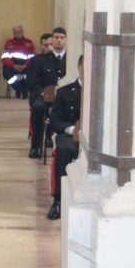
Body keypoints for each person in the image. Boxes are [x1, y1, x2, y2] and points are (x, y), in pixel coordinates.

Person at [47, 55, 83, 220]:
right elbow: (54, 121)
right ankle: (58, 200)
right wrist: (71, 129)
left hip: (95, 137)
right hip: (69, 134)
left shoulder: (105, 92)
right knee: (64, 149)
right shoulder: (65, 92)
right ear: (80, 68)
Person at [28, 27, 68, 158]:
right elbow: (33, 82)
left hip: (65, 98)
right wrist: (42, 93)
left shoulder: (70, 60)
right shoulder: (40, 60)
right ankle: (35, 145)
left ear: (65, 40)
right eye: (56, 37)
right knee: (38, 108)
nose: (59, 41)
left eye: (62, 38)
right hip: (45, 96)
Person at [2, 25, 36, 99]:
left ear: (22, 32)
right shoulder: (8, 43)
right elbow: (4, 58)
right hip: (12, 66)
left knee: (32, 74)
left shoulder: (29, 43)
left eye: (20, 31)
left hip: (26, 66)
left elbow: (32, 57)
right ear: (13, 33)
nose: (18, 33)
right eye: (16, 32)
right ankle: (21, 90)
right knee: (9, 75)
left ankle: (22, 90)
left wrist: (25, 66)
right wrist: (13, 66)